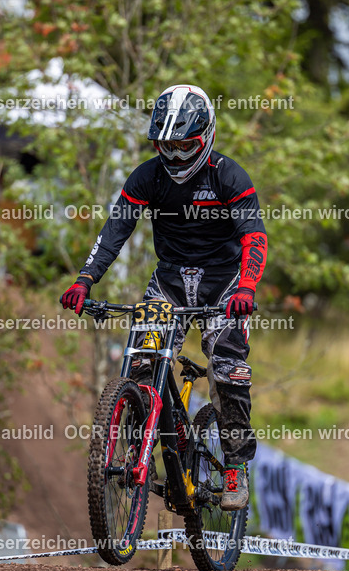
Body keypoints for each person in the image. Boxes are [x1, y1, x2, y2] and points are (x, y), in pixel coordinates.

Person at [60, 84, 267, 511]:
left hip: (225, 283)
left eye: (183, 146)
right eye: (164, 147)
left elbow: (254, 237)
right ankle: (141, 451)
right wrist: (85, 279)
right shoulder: (147, 176)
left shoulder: (229, 176)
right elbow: (116, 230)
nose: (173, 157)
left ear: (206, 136)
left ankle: (234, 466)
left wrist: (246, 287)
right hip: (169, 282)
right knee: (140, 366)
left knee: (228, 370)